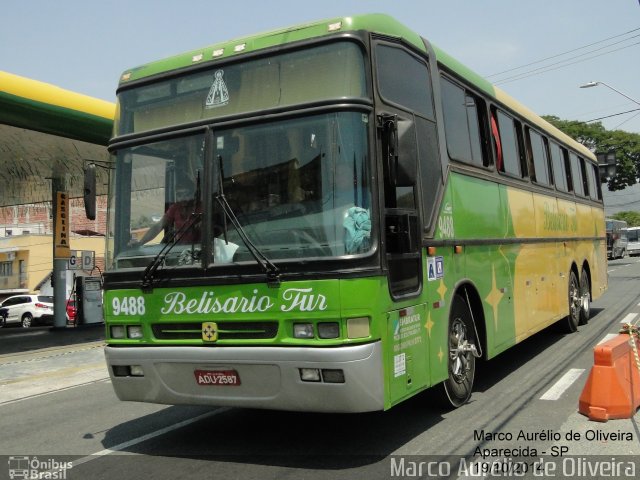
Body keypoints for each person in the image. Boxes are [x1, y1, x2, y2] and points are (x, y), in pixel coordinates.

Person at [130, 181, 201, 247]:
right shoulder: (175, 208)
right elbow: (159, 226)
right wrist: (141, 243)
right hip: (180, 248)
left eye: (187, 194)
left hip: (198, 249)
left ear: (193, 194)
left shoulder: (201, 208)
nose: (183, 198)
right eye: (179, 195)